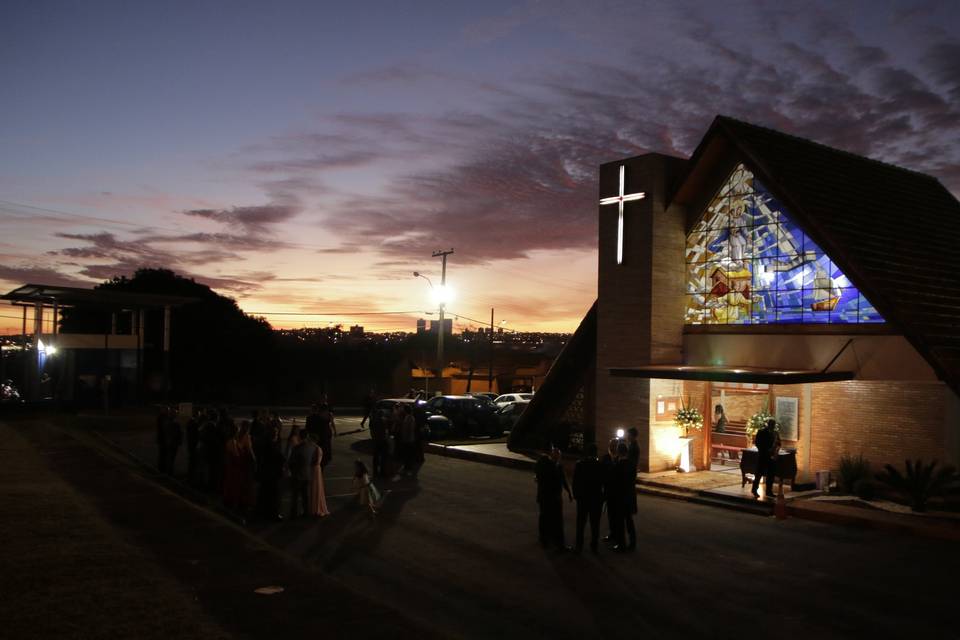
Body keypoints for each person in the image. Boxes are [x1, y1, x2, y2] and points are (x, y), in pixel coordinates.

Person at [534, 445, 572, 550]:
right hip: (551, 498)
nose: (557, 458)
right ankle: (557, 543)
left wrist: (568, 491)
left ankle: (546, 539)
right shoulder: (548, 465)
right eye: (556, 455)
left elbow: (562, 479)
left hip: (547, 497)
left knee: (545, 518)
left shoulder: (552, 465)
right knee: (554, 520)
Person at [572, 443, 604, 553]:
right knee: (595, 524)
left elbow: (575, 482)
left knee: (581, 523)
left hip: (583, 498)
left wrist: (576, 495)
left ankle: (579, 546)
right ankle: (594, 546)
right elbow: (603, 483)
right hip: (596, 499)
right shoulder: (600, 465)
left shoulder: (580, 464)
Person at [288, 428, 317, 519]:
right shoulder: (312, 447)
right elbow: (313, 460)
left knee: (295, 496)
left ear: (300, 437)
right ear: (307, 436)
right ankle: (306, 512)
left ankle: (294, 514)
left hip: (297, 475)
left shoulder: (297, 448)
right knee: (305, 495)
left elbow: (291, 462)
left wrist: (292, 471)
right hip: (307, 474)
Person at [613, 442, 637, 552]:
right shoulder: (632, 464)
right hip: (630, 495)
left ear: (618, 451)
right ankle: (632, 542)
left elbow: (615, 482)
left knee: (620, 522)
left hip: (620, 496)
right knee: (629, 520)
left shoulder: (618, 465)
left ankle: (621, 544)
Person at [752, 418, 780, 498]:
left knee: (771, 475)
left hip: (772, 456)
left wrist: (776, 450)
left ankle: (769, 491)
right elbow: (757, 443)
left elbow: (779, 443)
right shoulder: (761, 432)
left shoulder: (775, 433)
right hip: (763, 455)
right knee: (759, 474)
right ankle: (754, 490)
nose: (772, 426)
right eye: (771, 424)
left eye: (773, 424)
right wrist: (766, 450)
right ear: (768, 424)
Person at [601, 438, 620, 544]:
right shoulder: (606, 458)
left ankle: (618, 535)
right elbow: (602, 473)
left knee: (617, 515)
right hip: (608, 491)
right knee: (611, 514)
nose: (613, 447)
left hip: (617, 492)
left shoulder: (619, 459)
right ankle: (612, 533)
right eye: (612, 445)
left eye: (615, 445)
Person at [310, 440, 330, 517]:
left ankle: (317, 507)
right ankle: (315, 507)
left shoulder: (317, 448)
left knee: (316, 487)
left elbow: (316, 461)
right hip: (316, 469)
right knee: (315, 487)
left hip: (316, 469)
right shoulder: (316, 448)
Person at [369, 403, 389, 478]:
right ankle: (382, 471)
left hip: (376, 440)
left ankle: (375, 471)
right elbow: (386, 430)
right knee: (383, 457)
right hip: (382, 440)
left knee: (376, 457)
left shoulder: (374, 421)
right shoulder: (383, 421)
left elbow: (372, 430)